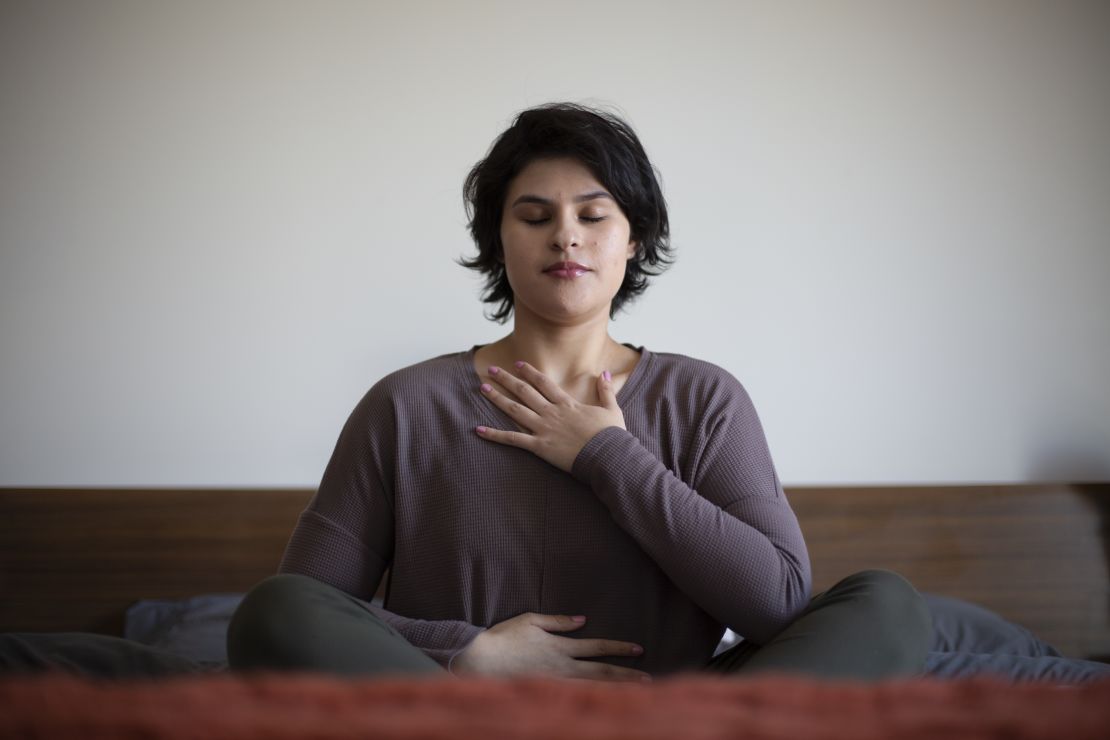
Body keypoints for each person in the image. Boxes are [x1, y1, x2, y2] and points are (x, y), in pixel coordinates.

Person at [227, 103, 931, 682]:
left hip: (669, 719)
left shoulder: (704, 400)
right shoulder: (405, 406)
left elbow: (777, 605)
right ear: (499, 242)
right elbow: (309, 608)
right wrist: (470, 655)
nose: (566, 237)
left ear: (632, 241)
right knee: (271, 611)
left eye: (593, 217)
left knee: (887, 606)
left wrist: (606, 454)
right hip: (462, 715)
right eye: (535, 217)